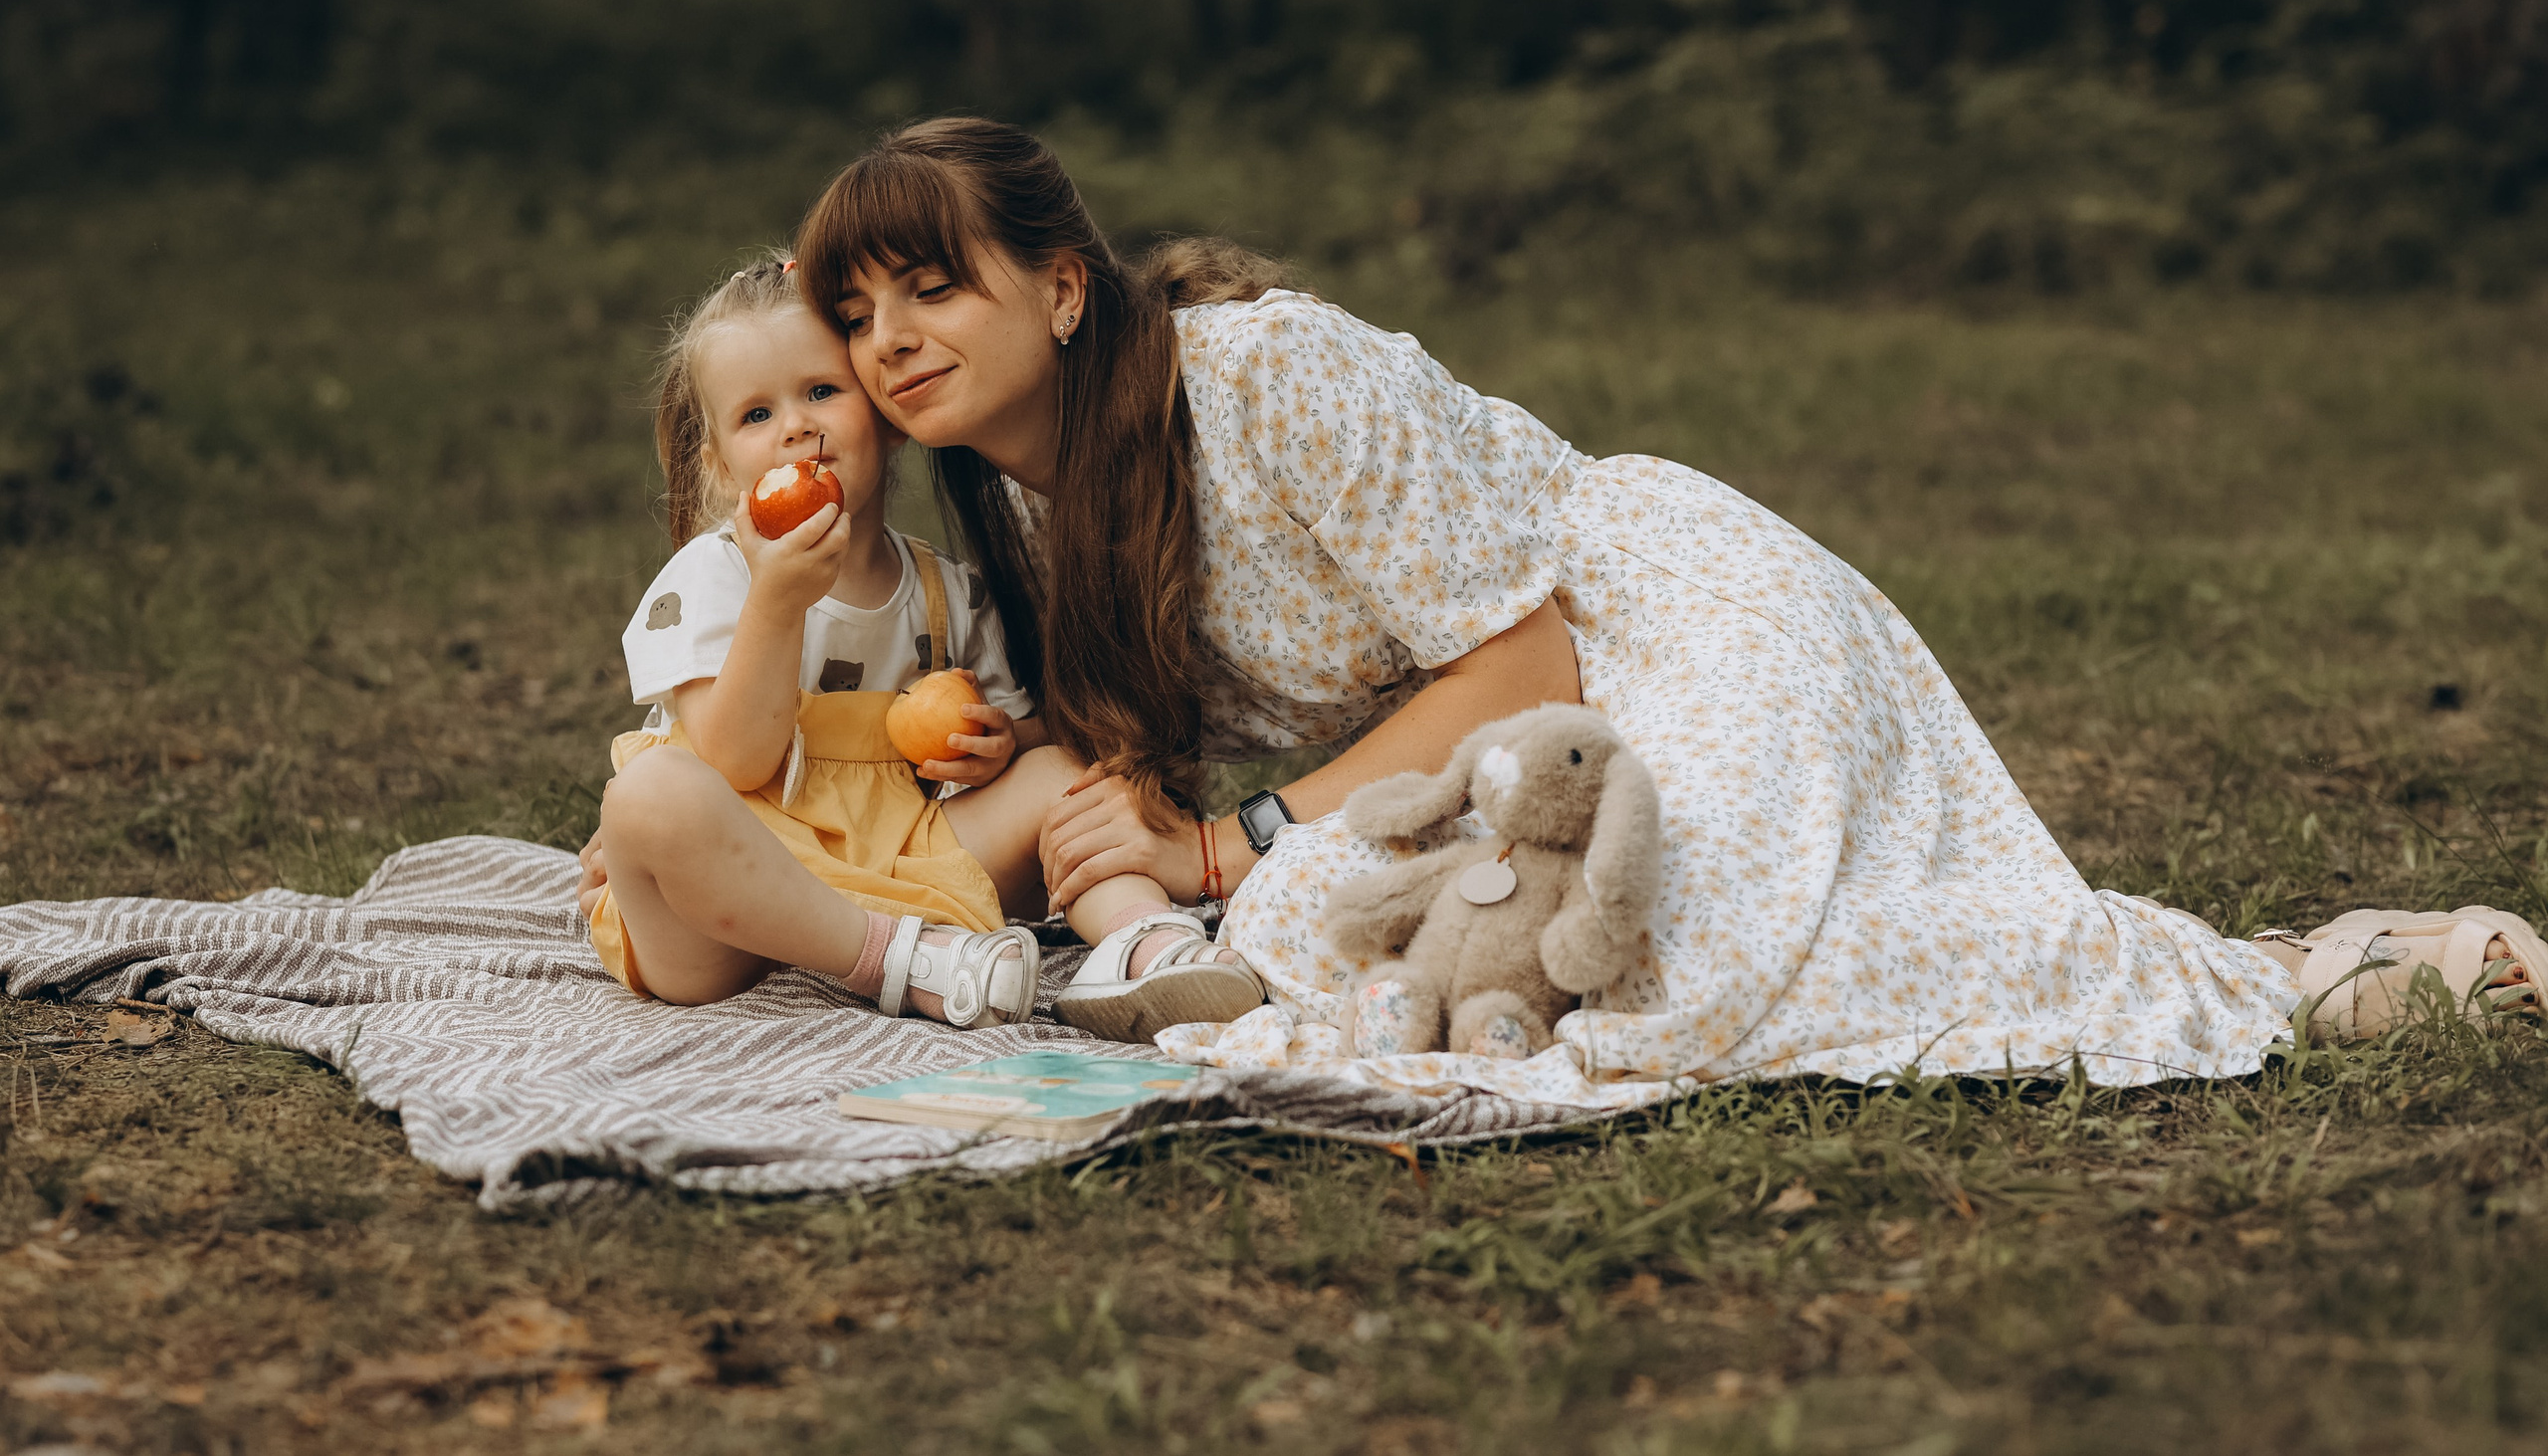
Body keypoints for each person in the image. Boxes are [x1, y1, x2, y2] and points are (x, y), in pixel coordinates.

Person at [789, 116, 2542, 1106]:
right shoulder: (1023, 511)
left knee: (1674, 971)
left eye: (933, 285)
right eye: (858, 316)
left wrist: (1233, 838)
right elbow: (1090, 780)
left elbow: (1528, 644)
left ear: (1065, 282)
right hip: (1507, 739)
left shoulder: (1265, 376)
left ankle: (2304, 971)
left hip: (1665, 616)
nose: (894, 341)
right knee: (1376, 937)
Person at [576, 253, 1267, 1040]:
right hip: (728, 915)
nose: (797, 426)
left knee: (1057, 776)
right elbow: (734, 761)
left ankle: (1148, 943)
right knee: (648, 795)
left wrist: (998, 744)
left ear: (886, 416)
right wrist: (779, 601)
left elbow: (1023, 735)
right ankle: (889, 960)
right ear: (720, 464)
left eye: (821, 392)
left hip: (898, 866)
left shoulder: (946, 591)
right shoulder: (716, 576)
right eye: (756, 416)